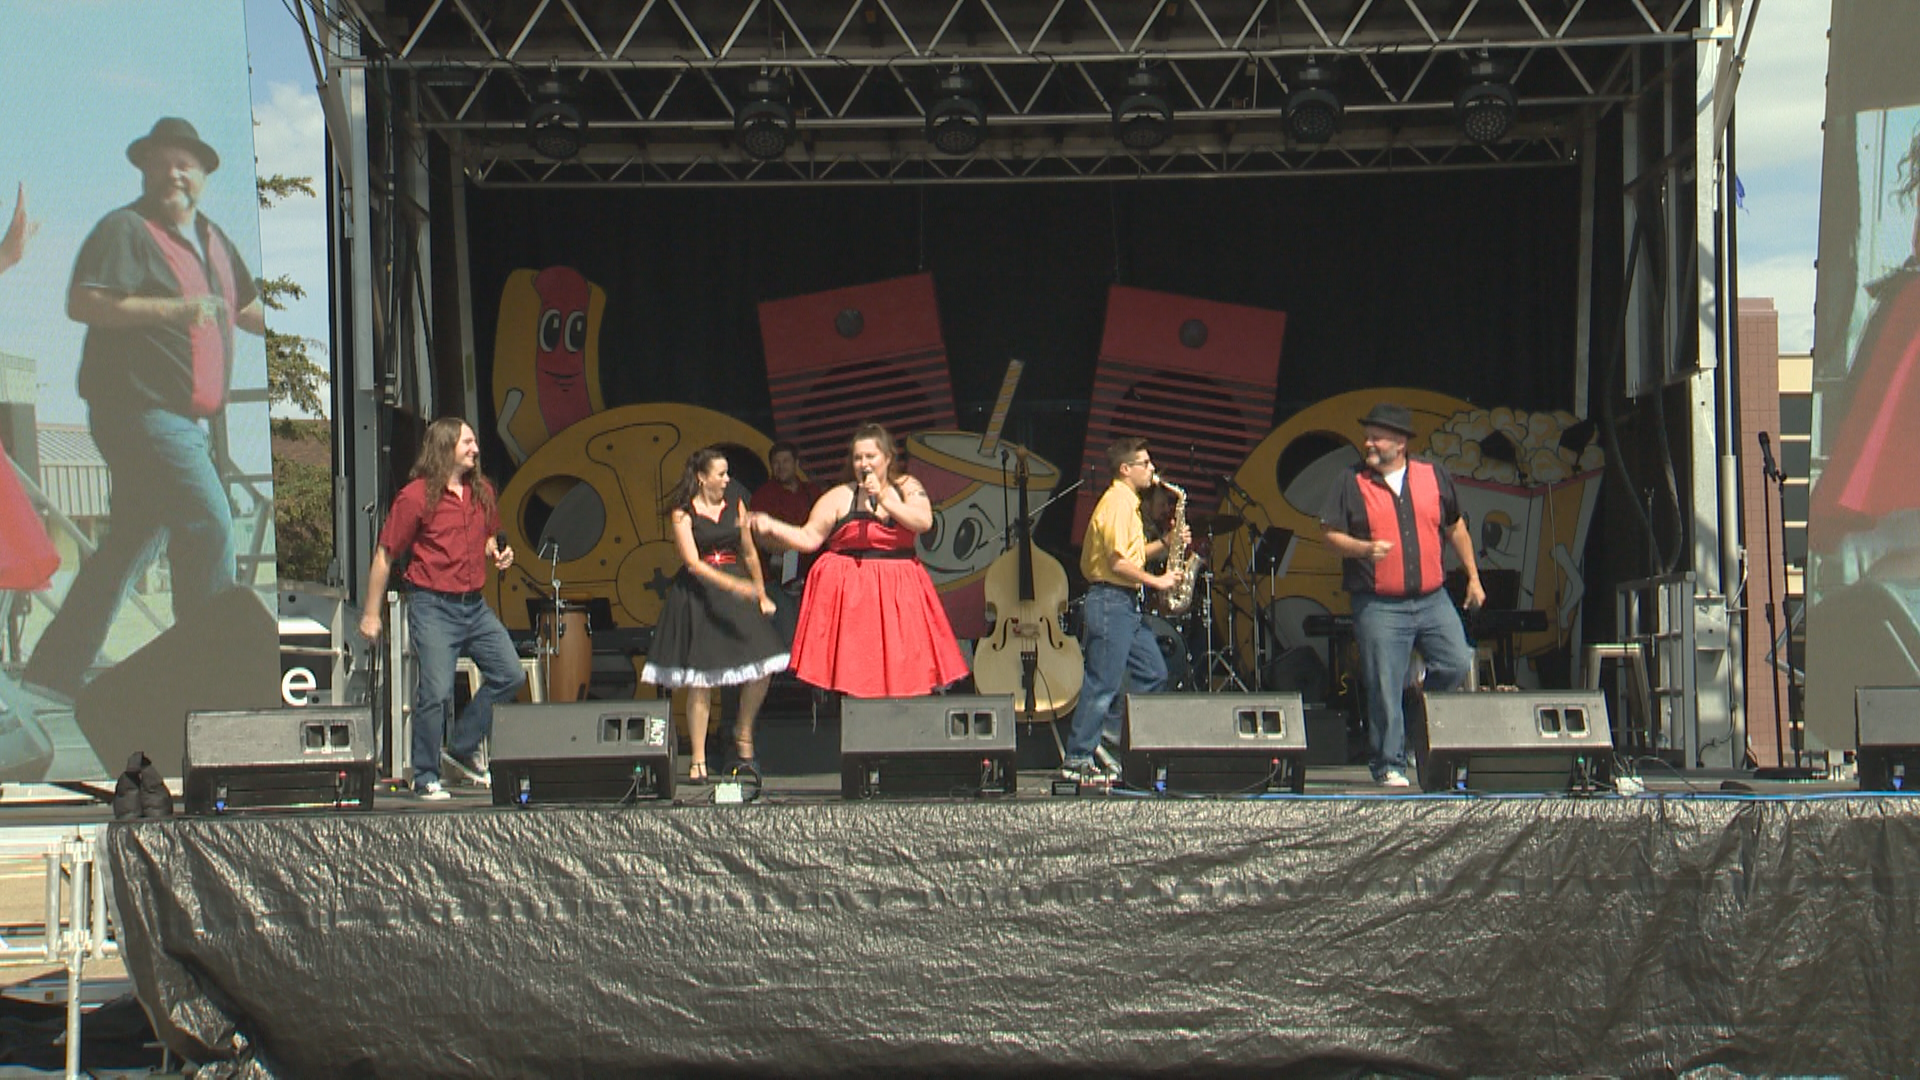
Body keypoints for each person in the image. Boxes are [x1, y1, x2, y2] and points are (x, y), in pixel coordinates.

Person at [23, 119, 265, 699]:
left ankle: (51, 674)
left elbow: (247, 310)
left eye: (187, 164)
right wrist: (173, 310)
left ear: (203, 175)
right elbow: (84, 302)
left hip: (184, 421)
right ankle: (210, 677)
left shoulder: (213, 240)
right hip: (138, 410)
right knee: (209, 521)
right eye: (165, 162)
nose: (176, 174)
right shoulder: (125, 230)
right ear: (145, 169)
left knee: (130, 544)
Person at [1319, 402, 1483, 788]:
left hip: (1431, 598)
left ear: (1400, 443)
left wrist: (1474, 578)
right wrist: (1363, 549)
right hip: (1378, 603)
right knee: (1384, 682)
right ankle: (1387, 763)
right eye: (1368, 436)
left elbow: (1456, 528)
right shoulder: (1350, 481)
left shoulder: (1433, 475)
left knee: (1457, 661)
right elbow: (1329, 534)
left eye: (1377, 438)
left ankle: (1415, 728)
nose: (1369, 444)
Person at [360, 418, 525, 800]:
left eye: (474, 442)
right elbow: (385, 554)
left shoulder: (482, 491)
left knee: (510, 674)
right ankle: (426, 775)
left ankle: (462, 747)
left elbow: (488, 537)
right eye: (467, 442)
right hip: (432, 604)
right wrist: (370, 613)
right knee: (435, 691)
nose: (475, 449)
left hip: (474, 606)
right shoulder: (416, 496)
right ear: (445, 447)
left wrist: (499, 553)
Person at [750, 423, 968, 697]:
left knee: (906, 670)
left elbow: (924, 522)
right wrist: (772, 526)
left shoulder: (907, 487)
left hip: (900, 591)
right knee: (859, 670)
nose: (863, 463)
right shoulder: (840, 495)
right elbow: (809, 538)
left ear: (887, 458)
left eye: (870, 456)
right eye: (857, 457)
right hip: (855, 596)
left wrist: (884, 498)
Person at [641, 448, 789, 783]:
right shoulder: (683, 512)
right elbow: (692, 563)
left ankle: (743, 731)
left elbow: (748, 551)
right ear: (701, 477)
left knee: (767, 660)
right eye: (721, 474)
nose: (727, 480)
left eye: (727, 473)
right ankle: (698, 759)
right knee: (701, 678)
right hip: (699, 592)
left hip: (736, 582)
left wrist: (760, 592)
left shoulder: (736, 503)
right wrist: (732, 585)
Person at [1062, 438, 1187, 785]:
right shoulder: (1117, 502)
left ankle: (1109, 738)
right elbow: (1118, 562)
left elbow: (1132, 554)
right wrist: (1158, 581)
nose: (1152, 469)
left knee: (1154, 671)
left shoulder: (1129, 504)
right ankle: (1077, 757)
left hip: (1126, 605)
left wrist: (1167, 543)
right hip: (1110, 601)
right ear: (1125, 469)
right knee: (1102, 682)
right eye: (1145, 463)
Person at [751, 440, 820, 590]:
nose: (781, 467)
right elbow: (759, 538)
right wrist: (790, 547)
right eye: (776, 462)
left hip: (814, 572)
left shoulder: (812, 491)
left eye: (785, 461)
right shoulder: (762, 496)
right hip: (779, 573)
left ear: (796, 463)